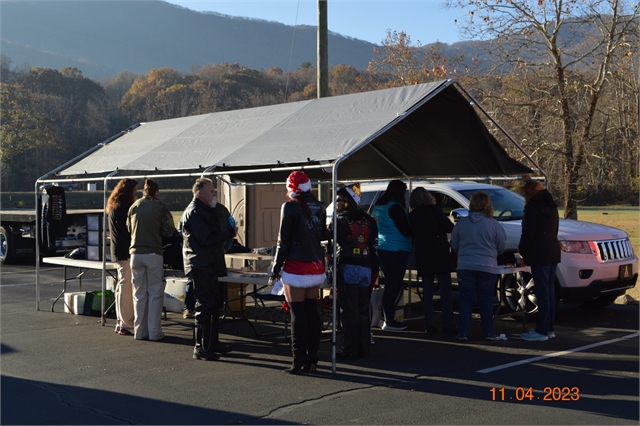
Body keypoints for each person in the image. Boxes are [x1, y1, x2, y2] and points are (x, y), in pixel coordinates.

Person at [269, 171, 330, 374]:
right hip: (315, 264)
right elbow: (322, 234)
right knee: (312, 311)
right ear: (308, 186)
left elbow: (283, 240)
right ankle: (313, 358)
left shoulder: (289, 206)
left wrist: (275, 268)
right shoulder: (320, 206)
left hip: (296, 264)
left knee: (297, 313)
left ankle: (298, 360)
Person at [180, 178, 237, 361]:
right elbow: (206, 239)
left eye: (214, 191)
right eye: (212, 191)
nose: (214, 194)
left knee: (213, 306)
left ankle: (212, 343)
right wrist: (229, 234)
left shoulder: (205, 210)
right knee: (204, 307)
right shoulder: (195, 212)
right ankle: (201, 346)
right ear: (200, 193)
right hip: (201, 265)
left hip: (209, 264)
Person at [328, 184, 378, 360]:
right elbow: (373, 243)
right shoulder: (368, 219)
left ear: (348, 201)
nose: (336, 203)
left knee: (350, 310)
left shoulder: (340, 220)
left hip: (348, 266)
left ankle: (350, 349)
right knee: (362, 310)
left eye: (339, 199)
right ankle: (364, 349)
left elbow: (326, 237)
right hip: (366, 267)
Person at [450, 191, 506, 341]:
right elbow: (501, 246)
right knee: (486, 300)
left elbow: (454, 245)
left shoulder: (462, 223)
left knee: (466, 300)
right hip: (488, 266)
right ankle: (489, 332)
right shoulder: (494, 224)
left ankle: (463, 332)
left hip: (465, 265)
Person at [127, 178, 177, 341]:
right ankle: (154, 331)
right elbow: (168, 229)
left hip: (135, 253)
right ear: (156, 192)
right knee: (155, 293)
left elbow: (129, 227)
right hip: (153, 253)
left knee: (139, 293)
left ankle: (139, 331)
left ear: (143, 191)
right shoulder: (160, 206)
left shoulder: (134, 206)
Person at [518, 176, 561, 342]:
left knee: (542, 292)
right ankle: (548, 327)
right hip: (552, 250)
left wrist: (523, 248)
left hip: (539, 252)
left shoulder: (533, 208)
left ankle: (542, 330)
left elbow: (528, 233)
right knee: (548, 292)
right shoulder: (552, 206)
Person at [408, 187, 456, 334]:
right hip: (439, 252)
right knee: (445, 291)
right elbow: (449, 227)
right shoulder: (435, 210)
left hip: (423, 253)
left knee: (427, 292)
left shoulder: (413, 215)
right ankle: (448, 323)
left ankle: (429, 324)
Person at [180, 200, 234, 320]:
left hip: (201, 258)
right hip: (209, 257)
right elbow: (230, 227)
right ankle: (210, 311)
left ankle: (190, 308)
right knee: (207, 296)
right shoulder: (200, 211)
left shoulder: (195, 211)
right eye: (211, 191)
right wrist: (226, 245)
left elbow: (181, 229)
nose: (213, 194)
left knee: (197, 286)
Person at [372, 180, 411, 331]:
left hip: (382, 247)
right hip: (397, 248)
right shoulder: (395, 207)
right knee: (393, 286)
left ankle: (388, 318)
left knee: (390, 284)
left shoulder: (379, 206)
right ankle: (390, 320)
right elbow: (405, 230)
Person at [106, 178, 138, 336]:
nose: (136, 194)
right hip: (125, 252)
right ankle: (126, 323)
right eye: (134, 191)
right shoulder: (124, 208)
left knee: (121, 287)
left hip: (117, 251)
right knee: (126, 287)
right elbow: (128, 231)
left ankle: (121, 322)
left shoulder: (114, 206)